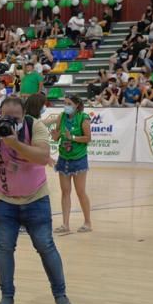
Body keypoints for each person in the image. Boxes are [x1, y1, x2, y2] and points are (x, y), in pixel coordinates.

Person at [0, 95, 72, 304]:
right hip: (3, 200)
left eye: (15, 118)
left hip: (36, 198)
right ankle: (7, 297)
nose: (9, 122)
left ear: (23, 116)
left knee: (45, 246)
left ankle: (61, 296)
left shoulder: (35, 125)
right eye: (5, 117)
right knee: (4, 248)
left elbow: (42, 157)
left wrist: (14, 143)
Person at [46, 96, 92, 234]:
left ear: (77, 105)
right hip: (64, 158)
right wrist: (54, 134)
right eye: (65, 103)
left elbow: (88, 138)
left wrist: (72, 137)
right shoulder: (61, 117)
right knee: (65, 192)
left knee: (80, 192)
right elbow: (57, 137)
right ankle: (65, 224)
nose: (66, 106)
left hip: (78, 158)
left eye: (69, 104)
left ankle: (88, 222)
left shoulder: (83, 118)